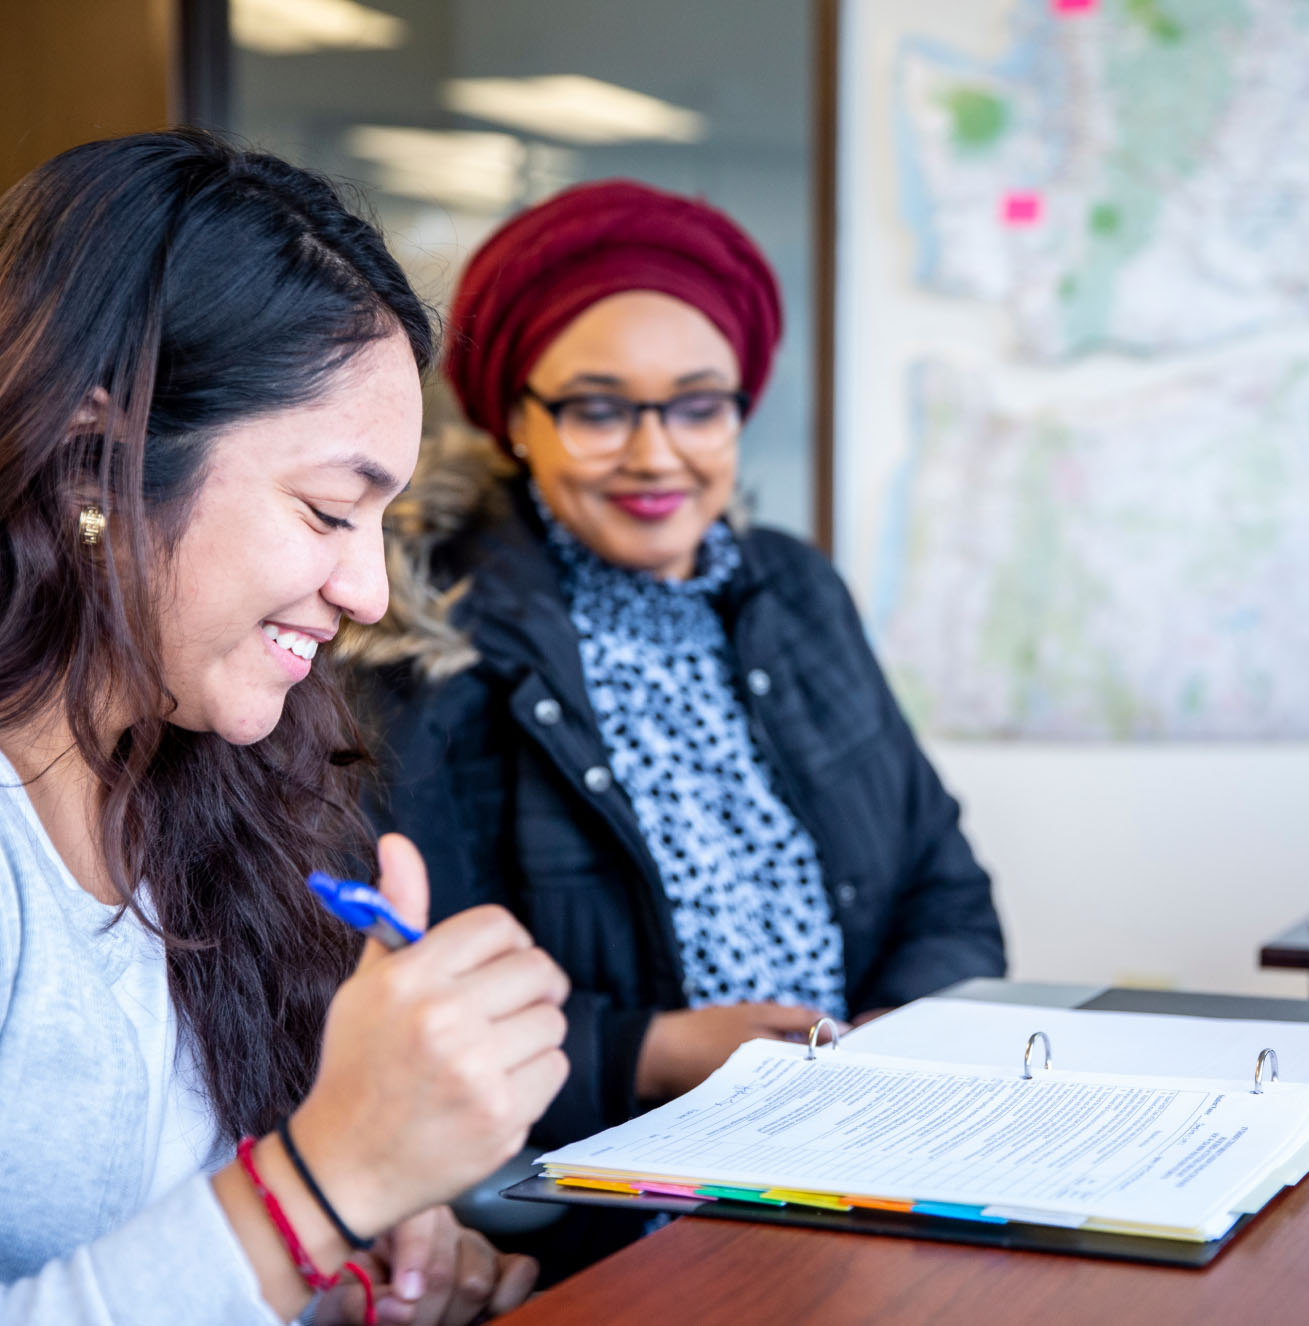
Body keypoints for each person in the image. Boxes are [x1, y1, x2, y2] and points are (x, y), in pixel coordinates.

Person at [0, 131, 572, 1325]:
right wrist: (324, 1182)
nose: (368, 592)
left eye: (383, 524)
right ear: (96, 464)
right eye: (326, 509)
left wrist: (361, 1253)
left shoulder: (197, 788)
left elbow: (181, 1246)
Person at [353, 179, 1006, 1153]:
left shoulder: (797, 594)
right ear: (517, 421)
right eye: (599, 410)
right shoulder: (429, 642)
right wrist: (644, 1052)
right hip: (609, 1216)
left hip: (867, 1148)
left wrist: (899, 1034)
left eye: (698, 407)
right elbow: (396, 994)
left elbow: (944, 886)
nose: (658, 456)